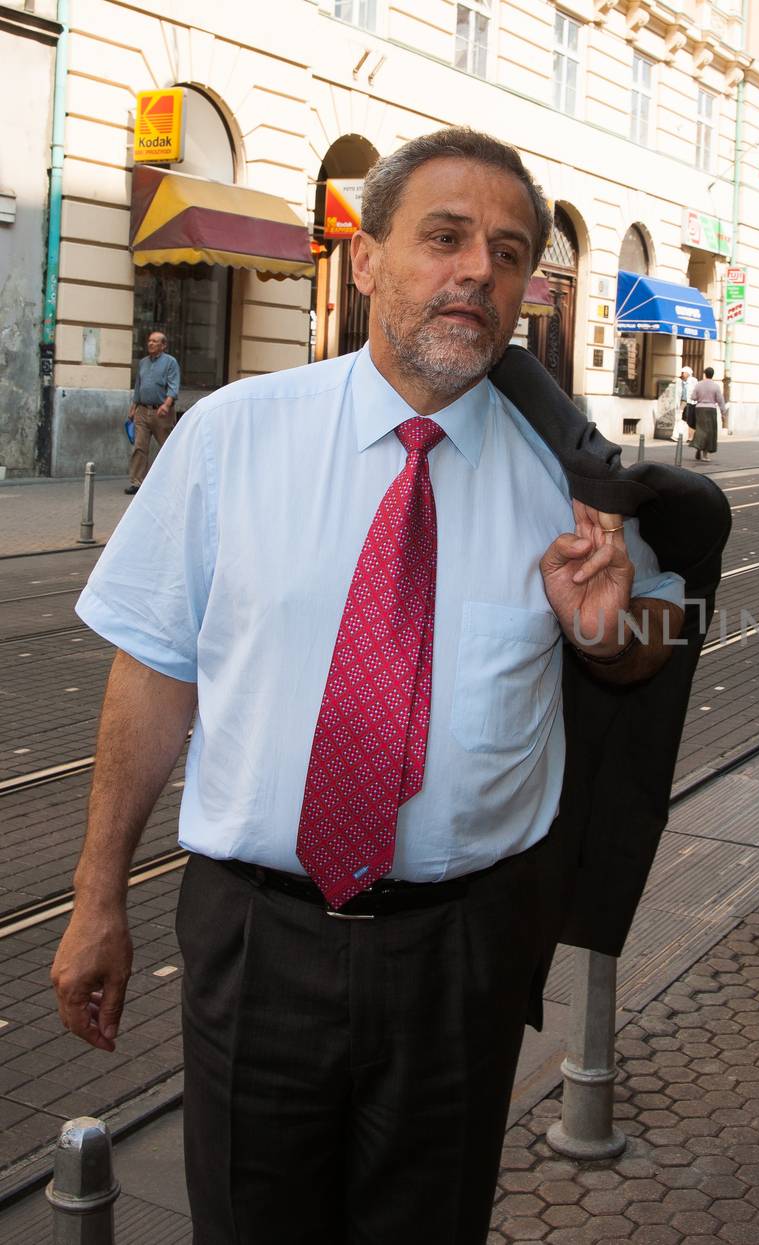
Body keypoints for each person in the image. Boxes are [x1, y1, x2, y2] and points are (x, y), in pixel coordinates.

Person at [52, 127, 699, 1244]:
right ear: (365, 260)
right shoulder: (231, 437)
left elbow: (645, 645)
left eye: (507, 255)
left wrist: (606, 634)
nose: (477, 274)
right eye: (443, 238)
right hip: (259, 942)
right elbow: (154, 671)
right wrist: (97, 897)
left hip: (463, 953)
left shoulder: (576, 476)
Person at [126, 330, 180, 494]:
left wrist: (167, 404)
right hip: (142, 410)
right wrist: (134, 406)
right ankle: (137, 482)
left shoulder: (170, 362)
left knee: (168, 447)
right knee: (139, 447)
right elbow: (138, 385)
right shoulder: (143, 363)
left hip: (162, 412)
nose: (150, 343)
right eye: (149, 340)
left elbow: (173, 385)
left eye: (155, 341)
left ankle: (174, 481)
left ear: (163, 345)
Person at [690, 366, 725, 461]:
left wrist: (700, 397)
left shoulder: (699, 384)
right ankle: (705, 455)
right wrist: (723, 412)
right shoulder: (716, 386)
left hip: (699, 408)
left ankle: (698, 447)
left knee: (700, 430)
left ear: (705, 374)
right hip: (711, 409)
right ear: (713, 375)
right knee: (709, 432)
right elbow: (720, 400)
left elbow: (693, 397)